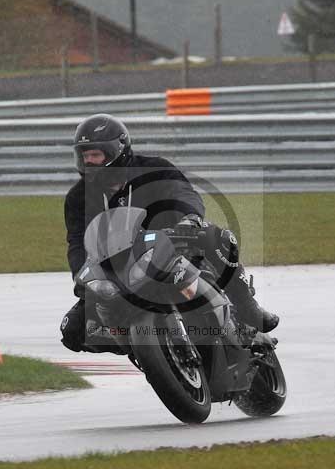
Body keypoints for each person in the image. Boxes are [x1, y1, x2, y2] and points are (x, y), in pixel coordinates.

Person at [60, 113, 279, 354]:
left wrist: (190, 218)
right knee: (73, 331)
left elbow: (183, 192)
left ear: (116, 152)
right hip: (118, 267)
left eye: (95, 155)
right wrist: (82, 275)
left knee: (216, 237)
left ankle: (248, 310)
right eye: (85, 156)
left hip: (172, 245)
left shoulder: (154, 169)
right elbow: (77, 242)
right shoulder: (77, 197)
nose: (89, 161)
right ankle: (143, 349)